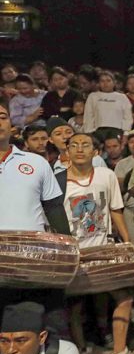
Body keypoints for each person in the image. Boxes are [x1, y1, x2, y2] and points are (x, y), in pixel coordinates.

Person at [57, 132, 134, 354]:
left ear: (95, 152)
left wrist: (127, 243)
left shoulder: (106, 175)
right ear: (66, 152)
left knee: (124, 297)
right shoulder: (57, 181)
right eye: (74, 145)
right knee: (75, 307)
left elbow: (116, 209)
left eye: (85, 145)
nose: (80, 149)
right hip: (74, 253)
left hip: (104, 249)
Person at [0, 105, 71, 336]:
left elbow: (54, 208)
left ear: (11, 124)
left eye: (2, 116)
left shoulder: (36, 163)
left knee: (51, 326)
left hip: (35, 260)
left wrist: (69, 247)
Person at [83, 71, 132, 136]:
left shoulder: (122, 97)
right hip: (98, 132)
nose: (105, 84)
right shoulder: (93, 96)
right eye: (102, 81)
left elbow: (128, 117)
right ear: (99, 83)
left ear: (114, 82)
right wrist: (89, 133)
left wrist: (126, 132)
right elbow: (88, 116)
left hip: (118, 131)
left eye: (108, 81)